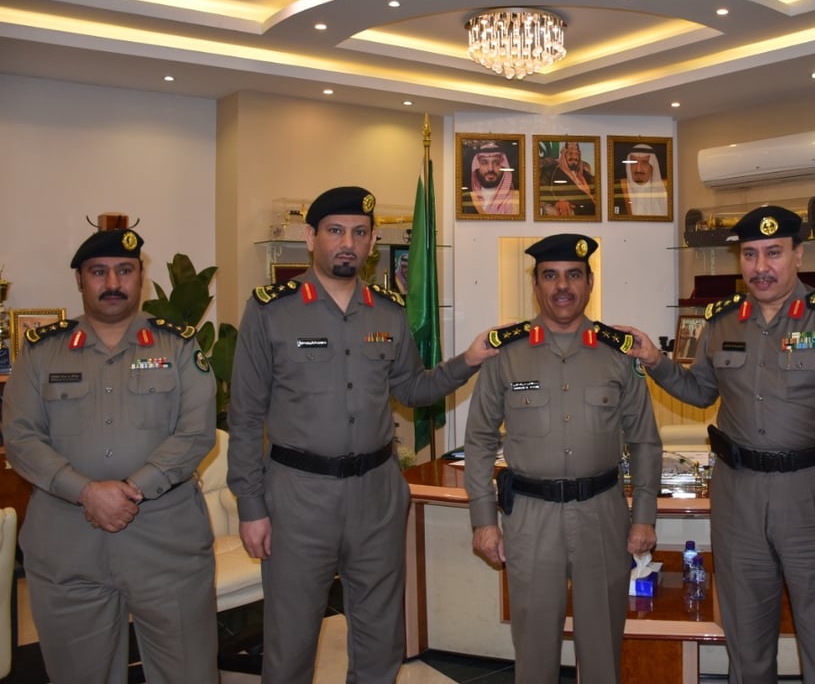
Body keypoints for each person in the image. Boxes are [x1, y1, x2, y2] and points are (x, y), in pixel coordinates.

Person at [227, 185, 498, 683]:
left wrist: (469, 360)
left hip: (376, 494)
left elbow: (412, 389)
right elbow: (244, 416)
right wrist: (250, 506)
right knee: (290, 641)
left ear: (372, 242)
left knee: (380, 638)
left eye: (358, 232)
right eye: (335, 231)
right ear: (311, 237)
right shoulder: (271, 311)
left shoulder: (388, 311)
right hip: (298, 497)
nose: (347, 243)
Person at [622, 205, 815, 683]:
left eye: (773, 253)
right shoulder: (723, 320)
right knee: (745, 642)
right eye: (750, 254)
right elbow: (701, 392)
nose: (761, 266)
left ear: (798, 255)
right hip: (738, 497)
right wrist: (655, 361)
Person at [1, 227, 218, 684]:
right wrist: (86, 492)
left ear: (141, 277)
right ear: (80, 280)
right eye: (98, 272)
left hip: (167, 544)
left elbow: (197, 432)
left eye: (125, 270)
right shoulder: (41, 351)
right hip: (67, 547)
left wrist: (131, 489)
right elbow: (19, 437)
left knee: (188, 673)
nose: (113, 282)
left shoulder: (178, 345)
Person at [465, 233, 662, 684]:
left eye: (573, 275)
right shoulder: (505, 353)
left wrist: (644, 516)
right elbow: (478, 439)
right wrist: (483, 520)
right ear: (535, 284)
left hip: (603, 514)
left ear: (590, 282)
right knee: (534, 648)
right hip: (531, 517)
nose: (562, 287)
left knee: (603, 647)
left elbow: (645, 441)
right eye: (550, 276)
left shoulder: (618, 353)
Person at [539, 140, 597, 217]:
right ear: (564, 154)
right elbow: (541, 189)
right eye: (570, 153)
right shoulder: (552, 170)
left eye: (576, 154)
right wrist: (557, 202)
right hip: (576, 211)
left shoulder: (584, 174)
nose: (574, 157)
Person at [462, 140, 519, 215]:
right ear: (476, 167)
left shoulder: (517, 198)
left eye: (496, 163)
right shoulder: (466, 198)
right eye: (484, 163)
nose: (490, 169)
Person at [611, 142, 667, 217]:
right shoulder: (616, 188)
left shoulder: (666, 189)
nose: (638, 169)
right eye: (634, 163)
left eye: (645, 163)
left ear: (652, 166)